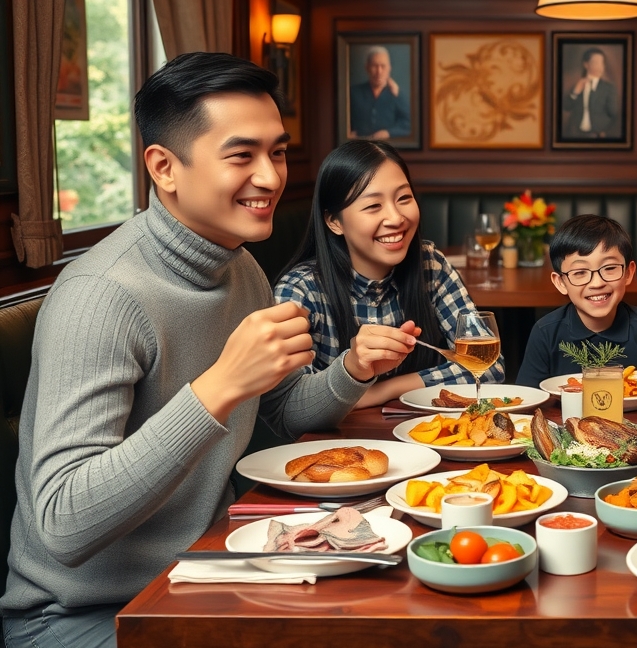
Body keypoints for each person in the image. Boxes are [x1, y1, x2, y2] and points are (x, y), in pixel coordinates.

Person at [1, 53, 410, 647]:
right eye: (241, 156)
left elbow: (279, 412)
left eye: (277, 152)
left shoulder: (240, 269)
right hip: (83, 616)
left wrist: (349, 371)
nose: (271, 177)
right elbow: (64, 523)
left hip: (204, 571)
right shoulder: (102, 296)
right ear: (164, 167)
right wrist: (218, 387)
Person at [275, 140, 504, 409]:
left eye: (404, 198)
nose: (396, 218)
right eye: (373, 206)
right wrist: (353, 375)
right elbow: (296, 405)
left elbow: (488, 367)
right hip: (337, 446)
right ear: (334, 221)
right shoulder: (300, 291)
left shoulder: (431, 265)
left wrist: (382, 390)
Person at [516, 214, 637, 386]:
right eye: (580, 272)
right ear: (560, 282)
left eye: (609, 268)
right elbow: (531, 397)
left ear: (628, 273)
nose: (597, 283)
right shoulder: (546, 333)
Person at [348, 46, 411, 140]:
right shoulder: (353, 93)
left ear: (389, 68)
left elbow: (408, 125)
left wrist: (388, 133)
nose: (379, 71)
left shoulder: (397, 94)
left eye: (383, 66)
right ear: (367, 68)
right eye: (374, 66)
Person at [561, 47, 620, 140]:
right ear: (586, 64)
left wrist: (602, 129)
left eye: (602, 63)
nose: (600, 66)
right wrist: (575, 92)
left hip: (597, 135)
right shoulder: (578, 84)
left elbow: (613, 113)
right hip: (575, 134)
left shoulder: (608, 88)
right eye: (596, 62)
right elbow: (566, 106)